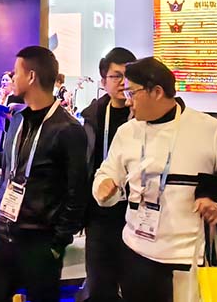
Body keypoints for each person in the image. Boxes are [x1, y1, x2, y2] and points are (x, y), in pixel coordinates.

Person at [93, 58, 217, 302]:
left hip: (188, 257)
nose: (127, 101)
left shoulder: (209, 130)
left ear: (157, 92)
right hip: (136, 252)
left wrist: (216, 201)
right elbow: (107, 172)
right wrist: (103, 186)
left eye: (132, 93)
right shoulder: (127, 132)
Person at [0, 46, 87, 302]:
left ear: (31, 76)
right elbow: (7, 177)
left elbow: (77, 192)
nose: (12, 77)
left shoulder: (68, 129)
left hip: (40, 244)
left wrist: (57, 244)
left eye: (16, 72)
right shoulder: (17, 120)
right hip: (3, 238)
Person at [79, 47, 137, 302]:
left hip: (136, 211)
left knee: (134, 283)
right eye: (116, 76)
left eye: (128, 76)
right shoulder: (93, 116)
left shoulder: (144, 116)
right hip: (99, 212)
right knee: (100, 282)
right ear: (103, 81)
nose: (123, 83)